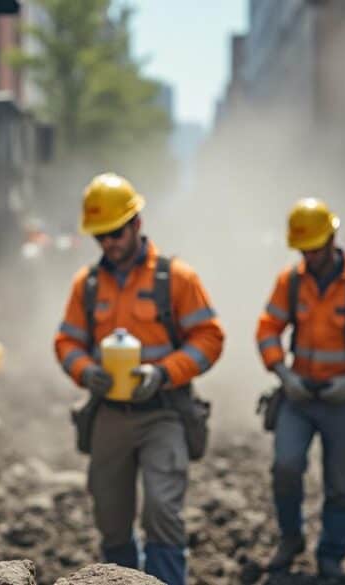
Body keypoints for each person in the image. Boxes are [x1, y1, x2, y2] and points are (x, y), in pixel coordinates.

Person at [54, 172, 224, 585]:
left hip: (163, 413)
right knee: (110, 517)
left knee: (163, 510)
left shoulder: (176, 278)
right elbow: (66, 342)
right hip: (110, 415)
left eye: (115, 232)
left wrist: (163, 373)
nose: (109, 243)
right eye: (101, 236)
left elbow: (209, 338)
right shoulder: (87, 285)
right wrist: (86, 371)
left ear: (136, 224)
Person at [256, 198, 345, 579]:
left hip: (343, 400)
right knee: (285, 467)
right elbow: (268, 327)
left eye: (315, 248)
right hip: (298, 396)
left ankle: (331, 556)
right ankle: (290, 538)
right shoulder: (291, 282)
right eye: (303, 249)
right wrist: (284, 374)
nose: (309, 256)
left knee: (339, 486)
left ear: (332, 240)